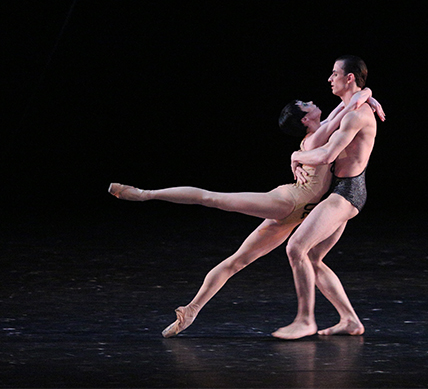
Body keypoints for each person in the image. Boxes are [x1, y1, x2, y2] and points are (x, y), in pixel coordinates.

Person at [108, 89, 385, 338]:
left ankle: (191, 310)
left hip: (299, 211)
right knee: (213, 199)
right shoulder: (317, 137)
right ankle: (145, 194)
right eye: (305, 103)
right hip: (287, 202)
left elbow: (347, 107)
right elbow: (346, 110)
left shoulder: (320, 131)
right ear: (304, 119)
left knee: (237, 261)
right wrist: (365, 96)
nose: (312, 101)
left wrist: (366, 94)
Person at [272, 55, 379, 340]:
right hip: (341, 191)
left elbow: (328, 155)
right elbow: (332, 121)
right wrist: (369, 94)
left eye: (334, 74)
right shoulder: (349, 106)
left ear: (349, 78)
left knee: (296, 248)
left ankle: (305, 319)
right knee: (315, 258)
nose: (329, 79)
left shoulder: (356, 113)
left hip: (348, 191)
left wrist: (296, 155)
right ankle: (350, 320)